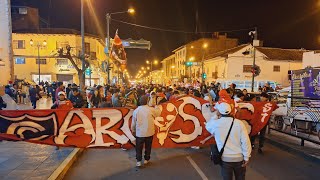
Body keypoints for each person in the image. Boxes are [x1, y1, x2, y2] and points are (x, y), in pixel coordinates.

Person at [206, 102, 251, 180]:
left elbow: (207, 126)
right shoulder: (239, 123)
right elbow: (245, 141)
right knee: (240, 177)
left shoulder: (215, 124)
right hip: (239, 158)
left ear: (219, 111)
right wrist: (246, 157)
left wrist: (216, 116)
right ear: (230, 111)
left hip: (225, 159)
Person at [131, 95, 161, 167]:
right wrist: (156, 105)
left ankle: (138, 161)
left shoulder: (136, 111)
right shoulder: (151, 109)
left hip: (140, 133)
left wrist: (133, 130)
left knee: (138, 147)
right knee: (148, 146)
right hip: (149, 132)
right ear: (147, 101)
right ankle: (146, 159)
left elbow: (133, 123)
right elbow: (158, 113)